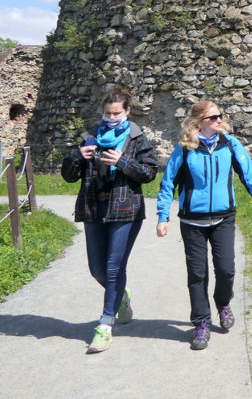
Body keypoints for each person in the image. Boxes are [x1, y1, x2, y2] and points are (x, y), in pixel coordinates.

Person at [156, 100, 252, 351]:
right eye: (213, 117)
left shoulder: (230, 144)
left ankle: (223, 303)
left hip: (223, 218)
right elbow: (167, 184)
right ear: (199, 122)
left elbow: (248, 176)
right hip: (192, 221)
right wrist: (162, 217)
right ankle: (201, 323)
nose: (219, 120)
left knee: (227, 268)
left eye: (220, 116)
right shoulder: (185, 149)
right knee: (197, 275)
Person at [61, 86, 158, 354]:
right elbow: (68, 176)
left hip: (125, 210)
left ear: (127, 112)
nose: (111, 117)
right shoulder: (91, 136)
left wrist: (123, 161)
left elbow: (150, 173)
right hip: (94, 207)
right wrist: (76, 157)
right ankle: (121, 297)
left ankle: (105, 325)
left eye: (117, 113)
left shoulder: (137, 138)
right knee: (97, 269)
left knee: (114, 267)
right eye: (108, 113)